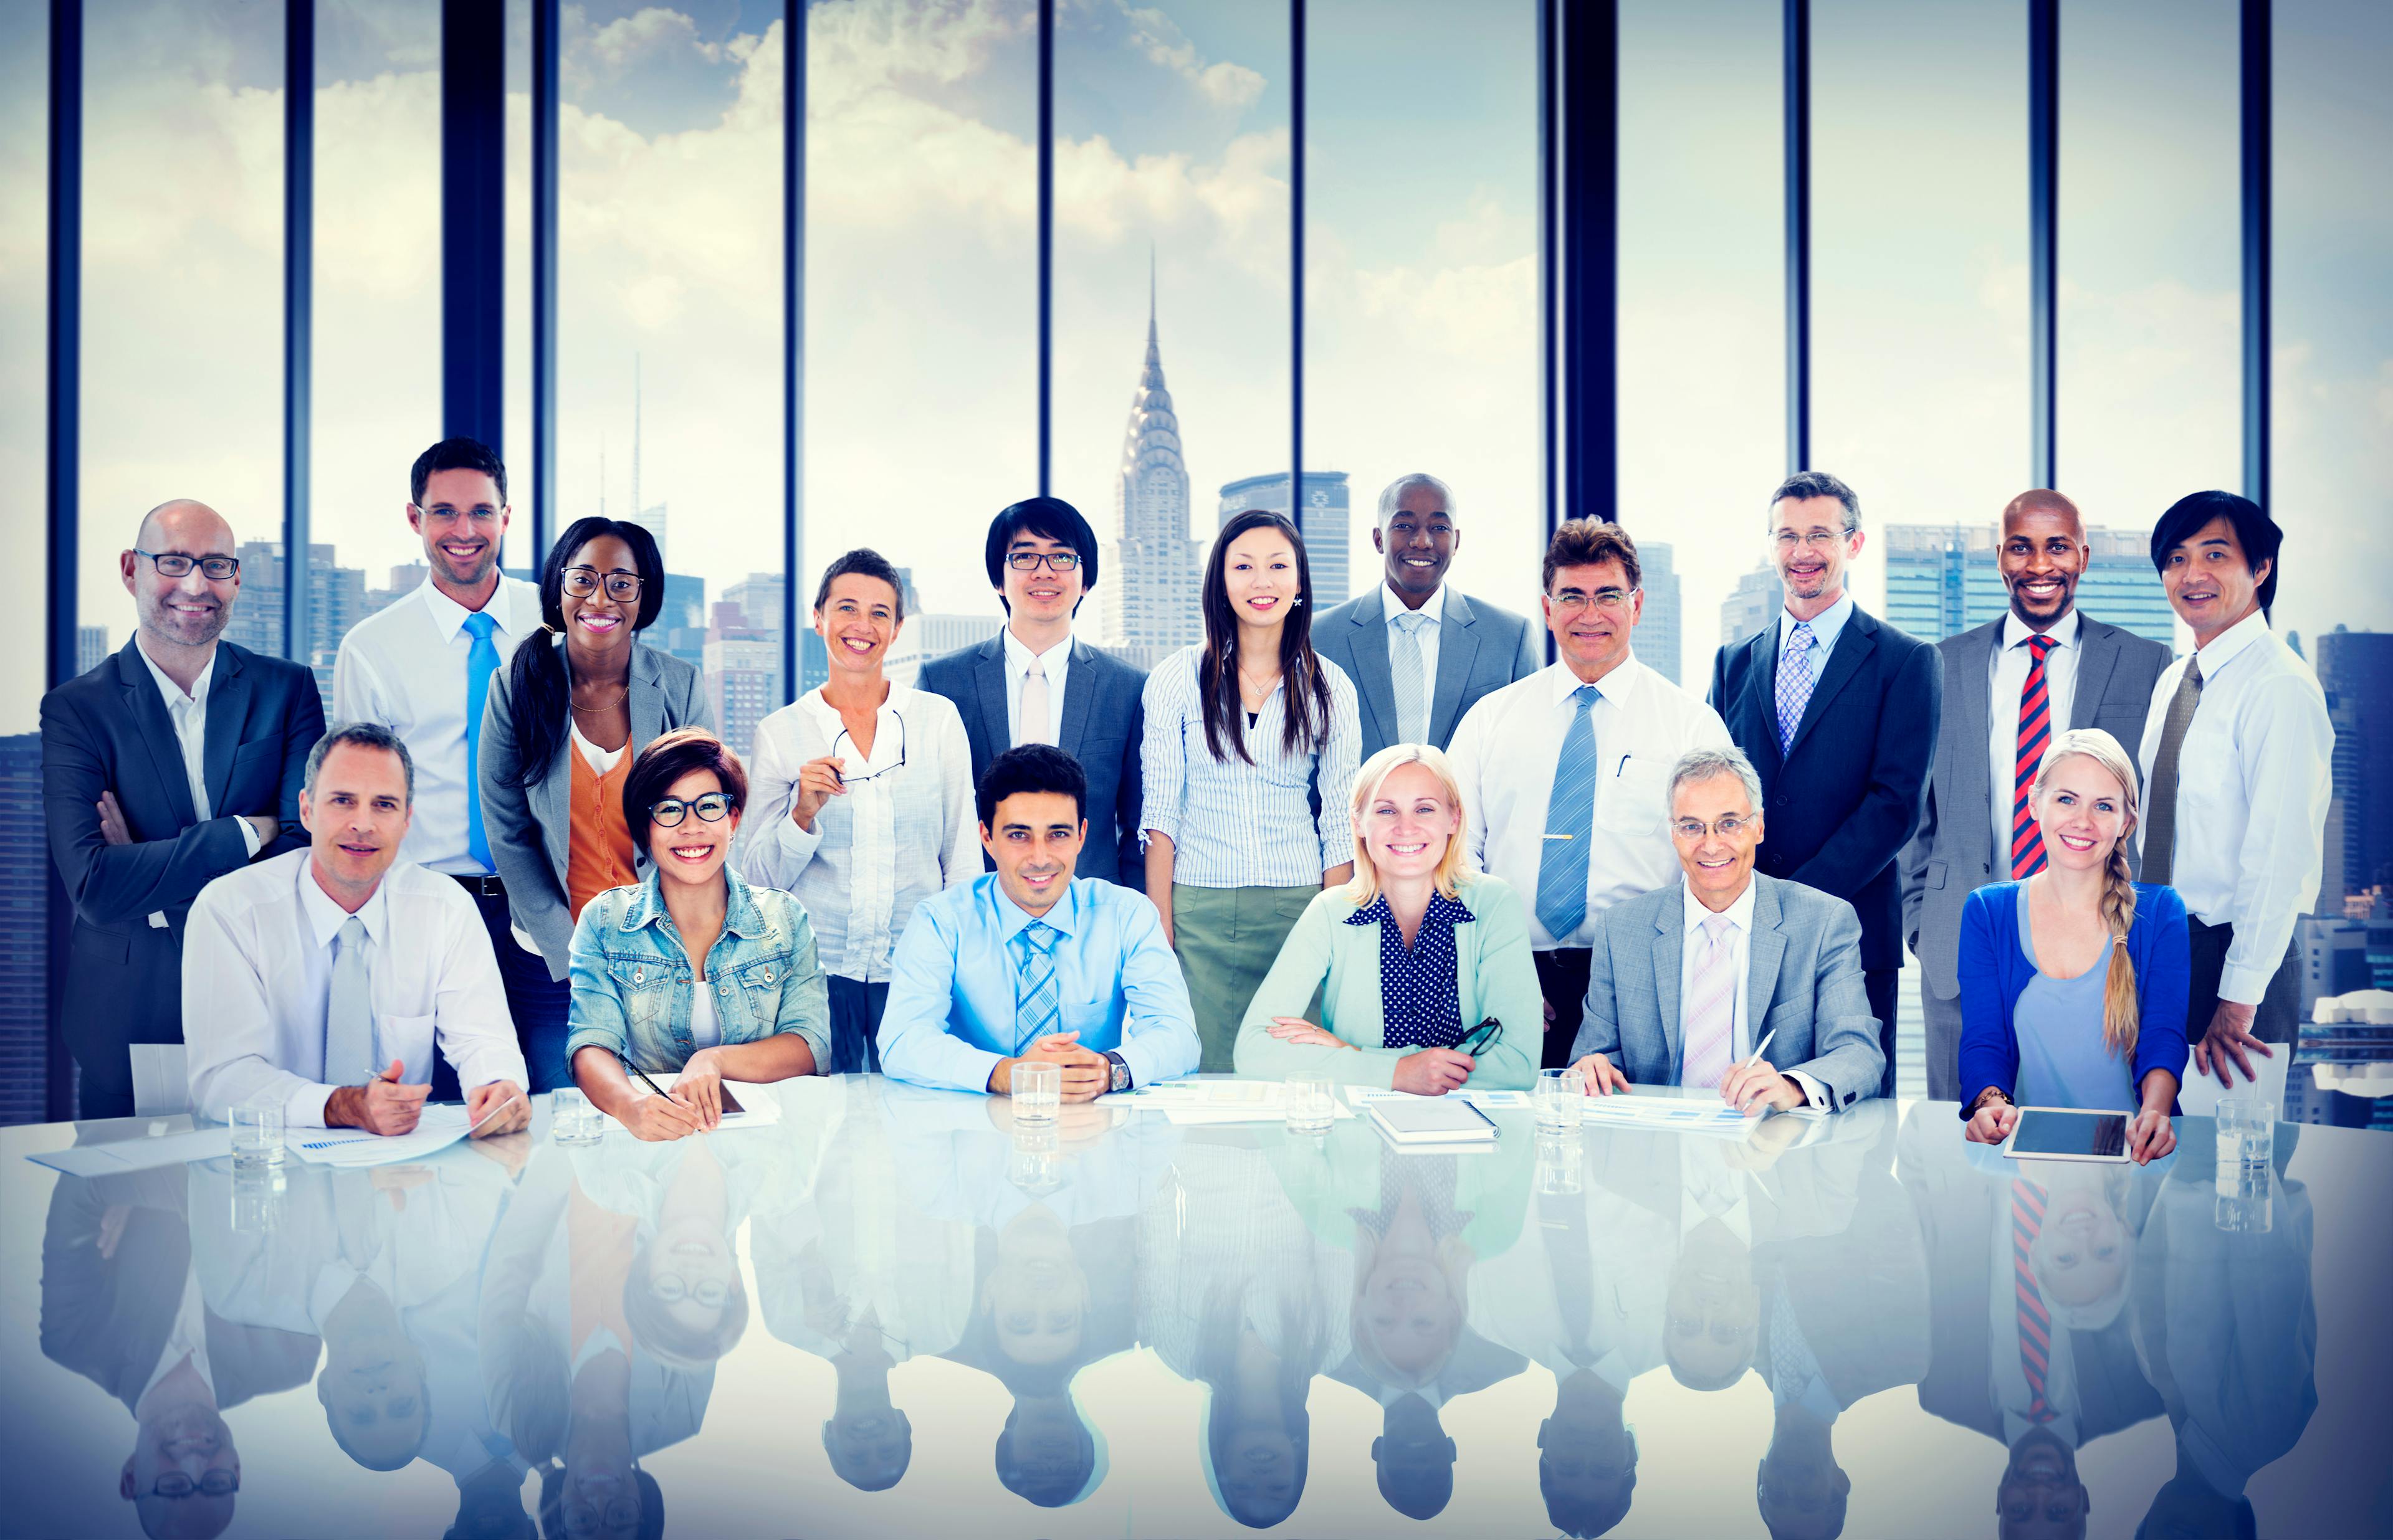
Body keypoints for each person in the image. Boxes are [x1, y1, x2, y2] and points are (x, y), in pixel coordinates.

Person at [41, 498, 323, 1116]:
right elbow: (95, 885)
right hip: (133, 1015)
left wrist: (146, 875)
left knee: (265, 1205)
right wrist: (245, 833)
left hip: (264, 1007)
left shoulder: (288, 690)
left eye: (216, 565)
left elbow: (303, 861)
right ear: (130, 569)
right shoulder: (77, 712)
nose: (196, 585)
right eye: (173, 562)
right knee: (137, 1207)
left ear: (237, 578)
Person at [1903, 490, 2171, 1102]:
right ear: (1999, 557)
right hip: (1963, 952)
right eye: (2021, 547)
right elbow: (1917, 821)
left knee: (2092, 1156)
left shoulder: (2145, 663)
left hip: (2100, 947)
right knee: (1962, 1153)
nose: (2039, 565)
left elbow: (2155, 813)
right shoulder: (1940, 666)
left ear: (2084, 556)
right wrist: (1925, 926)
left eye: (2057, 547)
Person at [1448, 519, 1734, 1068]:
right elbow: (1456, 857)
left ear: (1638, 604)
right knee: (1513, 1143)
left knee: (1635, 1149)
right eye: (1572, 597)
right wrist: (1491, 971)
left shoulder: (1691, 728)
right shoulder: (1490, 721)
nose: (1590, 614)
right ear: (1547, 607)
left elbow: (1713, 865)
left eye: (1608, 596)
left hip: (1641, 980)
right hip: (1511, 974)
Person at [1709, 472, 1941, 1098]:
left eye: (1820, 535)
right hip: (1743, 936)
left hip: (1850, 930)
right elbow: (1718, 795)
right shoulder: (1734, 663)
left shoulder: (1906, 660)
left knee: (1853, 1126)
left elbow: (1895, 807)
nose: (1802, 552)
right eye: (1787, 536)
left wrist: (1790, 905)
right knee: (1753, 1117)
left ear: (1855, 544)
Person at [181, 722, 531, 1134]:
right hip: (267, 1162)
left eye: (384, 805)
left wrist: (498, 1088)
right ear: (307, 810)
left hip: (398, 1173)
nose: (363, 823)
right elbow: (222, 1079)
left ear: (406, 820)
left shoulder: (446, 908)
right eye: (343, 801)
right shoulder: (232, 910)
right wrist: (341, 1106)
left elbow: (483, 1039)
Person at [333, 437, 552, 1093]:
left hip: (545, 899)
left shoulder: (557, 625)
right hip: (430, 904)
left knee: (557, 1097)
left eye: (482, 512)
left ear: (506, 519)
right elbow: (357, 802)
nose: (465, 530)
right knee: (452, 1108)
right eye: (445, 512)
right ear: (415, 519)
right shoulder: (373, 649)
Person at [479, 517, 711, 1093]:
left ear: (644, 596)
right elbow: (507, 832)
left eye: (621, 583)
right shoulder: (515, 685)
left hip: (659, 955)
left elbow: (700, 825)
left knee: (661, 1127)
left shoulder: (680, 687)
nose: (600, 598)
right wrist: (574, 948)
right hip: (550, 964)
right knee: (567, 1126)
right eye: (582, 579)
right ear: (559, 588)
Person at [740, 548, 978, 1073]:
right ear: (819, 617)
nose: (862, 626)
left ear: (896, 630)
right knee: (824, 1137)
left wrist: (964, 968)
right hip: (812, 975)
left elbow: (961, 858)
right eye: (847, 608)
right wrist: (801, 815)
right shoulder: (780, 733)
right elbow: (756, 882)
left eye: (880, 613)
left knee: (915, 1127)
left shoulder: (938, 721)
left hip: (919, 970)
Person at [1140, 509, 1361, 1070]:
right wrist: (1160, 926)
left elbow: (1340, 819)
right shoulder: (1176, 677)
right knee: (1203, 1077)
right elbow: (1161, 813)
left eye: (1277, 566)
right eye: (1244, 566)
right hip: (1198, 908)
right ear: (1221, 581)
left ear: (1300, 582)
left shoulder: (1331, 685)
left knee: (1294, 1076)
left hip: (1301, 908)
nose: (1261, 582)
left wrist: (1338, 928)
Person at [2137, 490, 2333, 1090]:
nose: (2192, 575)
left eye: (2215, 554)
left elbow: (2279, 856)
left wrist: (2241, 996)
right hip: (2161, 947)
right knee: (2157, 1160)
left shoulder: (2280, 687)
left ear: (2262, 568)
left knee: (2235, 1165)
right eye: (2175, 559)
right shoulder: (2177, 679)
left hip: (2237, 958)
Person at [1568, 746, 1884, 1111]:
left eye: (1730, 823)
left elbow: (1858, 1053)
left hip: (1772, 1143)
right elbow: (1595, 1055)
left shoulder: (1824, 922)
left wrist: (1791, 1087)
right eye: (1691, 826)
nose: (1712, 844)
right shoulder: (1621, 929)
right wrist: (1592, 1067)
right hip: (1656, 1143)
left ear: (1759, 827)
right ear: (1672, 833)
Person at [877, 744, 1199, 1097]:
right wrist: (1007, 1075)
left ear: (1081, 835)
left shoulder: (1127, 916)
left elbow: (1178, 1034)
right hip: (970, 1128)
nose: (1040, 857)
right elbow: (902, 1039)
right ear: (987, 837)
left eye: (1058, 834)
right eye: (1019, 835)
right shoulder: (940, 922)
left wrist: (1108, 1071)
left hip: (1089, 1129)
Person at [566, 728, 830, 1140]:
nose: (691, 827)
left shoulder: (784, 918)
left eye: (709, 807)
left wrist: (715, 1060)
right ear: (646, 829)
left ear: (733, 820)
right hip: (653, 1140)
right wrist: (630, 1107)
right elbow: (591, 1044)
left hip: (766, 1148)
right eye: (670, 810)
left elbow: (810, 1045)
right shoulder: (604, 921)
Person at [1233, 743, 1540, 1093]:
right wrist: (1398, 1072)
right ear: (1359, 823)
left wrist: (1358, 1057)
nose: (1405, 828)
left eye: (1424, 809)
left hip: (1475, 1132)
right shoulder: (1331, 912)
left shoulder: (1494, 905)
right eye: (1386, 811)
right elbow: (1254, 1051)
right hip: (1358, 1132)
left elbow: (1518, 1065)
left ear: (1453, 819)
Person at [40, 1165, 317, 1540]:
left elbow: (81, 1180)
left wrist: (134, 1180)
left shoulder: (73, 1337)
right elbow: (313, 1198)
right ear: (236, 1470)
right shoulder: (289, 1359)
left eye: (173, 1486)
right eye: (215, 1484)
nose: (194, 1463)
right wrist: (132, 1181)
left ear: (132, 1476)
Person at [1956, 730, 2189, 1164]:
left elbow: (2164, 1036)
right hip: (2024, 1163)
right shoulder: (1988, 912)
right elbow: (1983, 1040)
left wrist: (2155, 1114)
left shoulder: (2161, 913)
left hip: (2132, 1159)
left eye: (2104, 806)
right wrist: (1991, 1103)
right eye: (2067, 799)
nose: (2083, 821)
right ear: (2033, 804)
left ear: (2126, 822)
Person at [916, 496, 1149, 887]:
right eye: (1024, 557)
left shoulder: (1128, 688)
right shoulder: (943, 682)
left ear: (1086, 580)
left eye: (1061, 557)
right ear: (998, 579)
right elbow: (925, 815)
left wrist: (1122, 912)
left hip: (1090, 913)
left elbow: (1139, 825)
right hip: (976, 910)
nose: (1044, 572)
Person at [1311, 473, 1540, 757]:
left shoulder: (1510, 638)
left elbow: (1530, 752)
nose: (1422, 541)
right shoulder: (1319, 637)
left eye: (1439, 527)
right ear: (1379, 538)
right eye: (1404, 525)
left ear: (1456, 542)